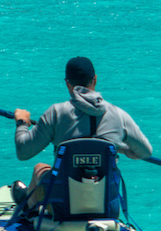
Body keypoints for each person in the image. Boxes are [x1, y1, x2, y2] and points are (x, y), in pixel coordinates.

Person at [10, 56, 152, 209]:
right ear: (95, 79)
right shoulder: (119, 115)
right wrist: (119, 147)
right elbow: (145, 152)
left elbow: (23, 153)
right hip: (107, 207)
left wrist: (22, 124)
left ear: (67, 84)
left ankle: (29, 208)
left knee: (40, 168)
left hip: (64, 207)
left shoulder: (56, 113)